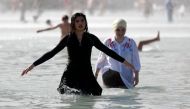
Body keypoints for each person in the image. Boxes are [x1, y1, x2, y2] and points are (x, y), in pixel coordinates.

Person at [21, 13, 136, 96]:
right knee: (69, 94)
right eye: (77, 21)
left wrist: (125, 62)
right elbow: (52, 53)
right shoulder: (68, 38)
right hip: (71, 73)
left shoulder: (91, 38)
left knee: (95, 95)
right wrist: (32, 66)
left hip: (87, 73)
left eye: (82, 21)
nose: (80, 23)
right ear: (73, 23)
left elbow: (108, 51)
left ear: (86, 23)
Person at [95, 19, 141, 89]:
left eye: (123, 30)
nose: (120, 32)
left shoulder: (131, 42)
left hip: (126, 77)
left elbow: (136, 60)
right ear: (114, 29)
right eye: (118, 30)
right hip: (110, 75)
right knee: (115, 75)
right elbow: (101, 60)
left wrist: (136, 76)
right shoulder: (108, 41)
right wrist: (95, 76)